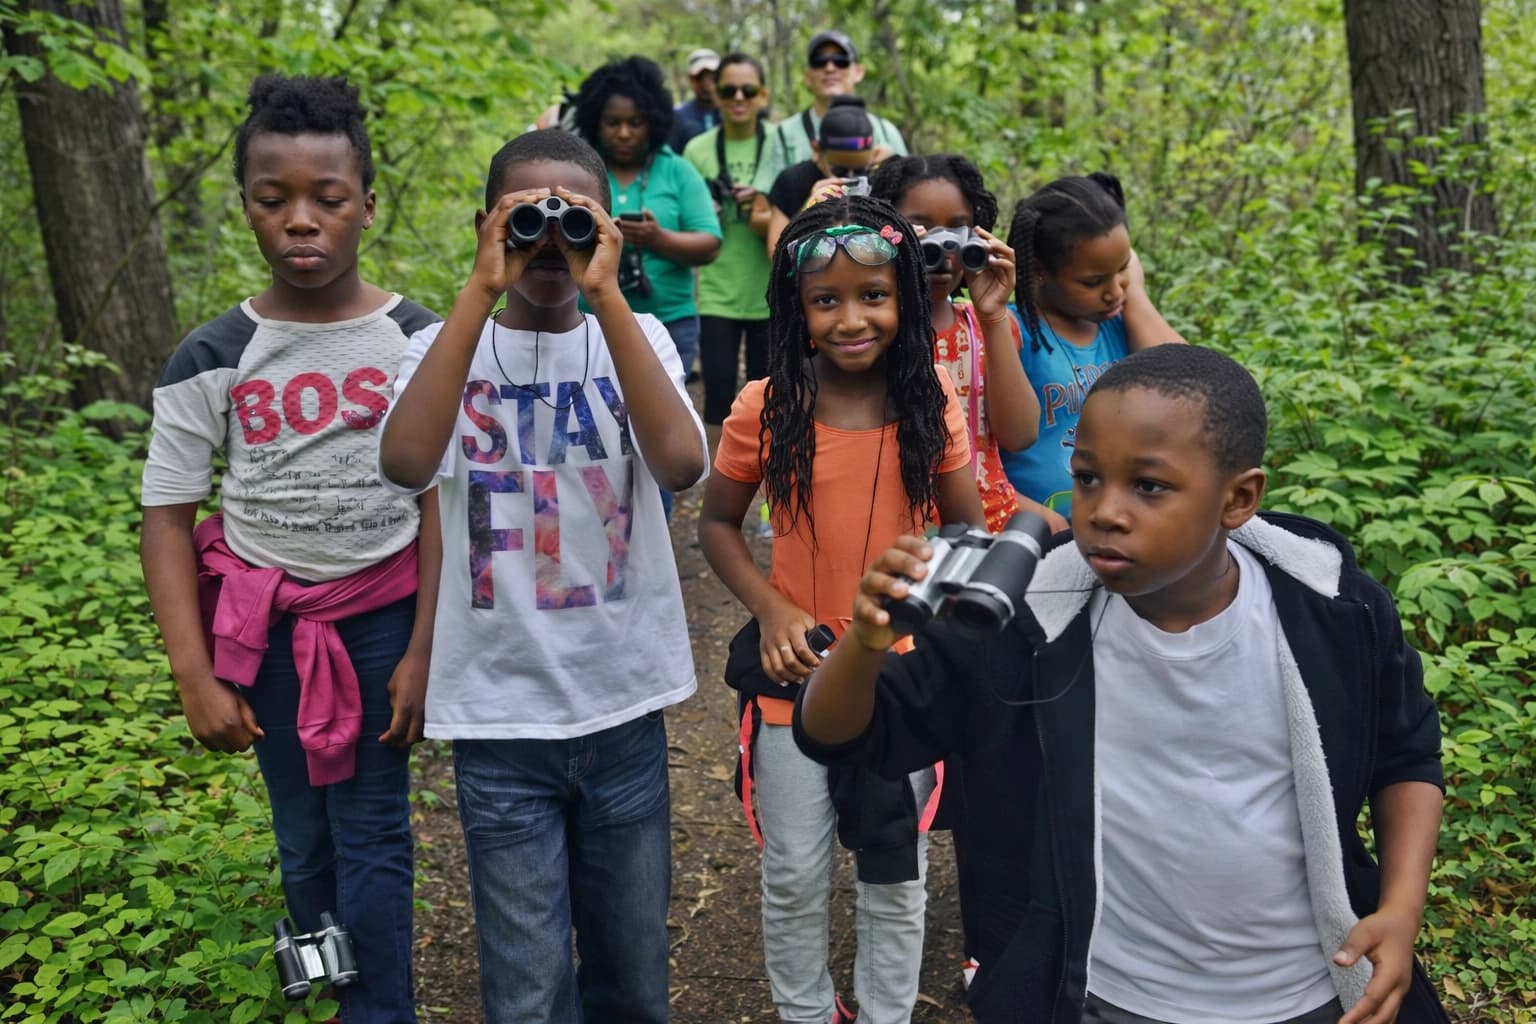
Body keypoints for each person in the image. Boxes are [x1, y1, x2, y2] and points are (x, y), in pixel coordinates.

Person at [797, 343, 1450, 1024]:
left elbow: (1407, 754)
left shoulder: (1335, 611)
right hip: (1104, 996)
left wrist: (1401, 910)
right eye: (1087, 478)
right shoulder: (1022, 621)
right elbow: (843, 734)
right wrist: (865, 640)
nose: (1104, 511)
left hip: (1316, 991)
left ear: (1238, 498)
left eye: (1149, 486)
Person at [376, 128, 705, 1024]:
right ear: (485, 226)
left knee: (634, 970)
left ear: (609, 230)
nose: (551, 242)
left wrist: (609, 292)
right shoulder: (438, 350)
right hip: (498, 714)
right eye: (526, 220)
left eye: (575, 221)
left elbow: (681, 465)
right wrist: (480, 290)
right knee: (525, 988)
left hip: (621, 701)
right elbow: (406, 466)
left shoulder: (638, 341)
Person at [140, 75, 441, 1024]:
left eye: (328, 199)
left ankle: (380, 1011)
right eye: (274, 200)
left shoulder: (419, 342)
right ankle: (325, 995)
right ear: (246, 207)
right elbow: (168, 516)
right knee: (303, 838)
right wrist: (194, 675)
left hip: (384, 621)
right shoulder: (212, 354)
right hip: (266, 632)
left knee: (374, 832)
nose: (301, 220)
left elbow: (444, 502)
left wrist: (427, 648)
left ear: (368, 206)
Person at [698, 195, 984, 1024]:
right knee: (794, 870)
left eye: (874, 296)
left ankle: (886, 1013)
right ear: (796, 308)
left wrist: (926, 608)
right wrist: (770, 608)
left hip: (900, 684)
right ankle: (807, 1012)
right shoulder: (766, 406)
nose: (851, 319)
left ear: (904, 296)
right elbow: (717, 524)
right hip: (793, 679)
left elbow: (964, 530)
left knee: (896, 874)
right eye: (826, 300)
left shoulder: (930, 398)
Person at [871, 153, 1059, 535]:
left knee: (1058, 533)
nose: (942, 248)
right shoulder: (867, 330)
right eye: (920, 228)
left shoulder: (985, 327)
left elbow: (1020, 435)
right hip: (902, 527)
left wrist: (993, 315)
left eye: (958, 229)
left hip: (988, 514)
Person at [1001, 172, 1184, 517]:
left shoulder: (1120, 323)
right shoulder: (1012, 331)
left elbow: (1188, 384)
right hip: (1042, 527)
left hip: (1122, 519)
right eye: (1093, 281)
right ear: (1038, 271)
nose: (1113, 291)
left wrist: (1136, 295)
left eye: (1122, 270)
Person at [570, 56, 721, 387]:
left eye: (635, 123)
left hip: (669, 324)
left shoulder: (678, 170)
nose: (624, 133)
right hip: (586, 324)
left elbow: (710, 243)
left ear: (652, 121)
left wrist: (657, 238)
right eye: (613, 123)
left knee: (659, 414)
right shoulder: (579, 171)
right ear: (596, 122)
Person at [682, 52, 773, 456]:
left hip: (770, 292)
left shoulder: (780, 144)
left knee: (769, 400)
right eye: (729, 90)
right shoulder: (696, 149)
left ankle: (769, 481)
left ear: (762, 95)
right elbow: (684, 219)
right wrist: (707, 211)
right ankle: (724, 478)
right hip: (717, 291)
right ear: (715, 95)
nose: (738, 97)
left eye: (748, 90)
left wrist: (763, 204)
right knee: (718, 400)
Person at [751, 30, 907, 199]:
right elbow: (762, 209)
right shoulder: (783, 134)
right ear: (807, 76)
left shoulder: (885, 132)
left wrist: (894, 166)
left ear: (859, 72)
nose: (830, 68)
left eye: (841, 61)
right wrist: (809, 204)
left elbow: (912, 197)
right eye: (819, 62)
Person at [764, 95, 882, 256]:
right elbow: (775, 254)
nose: (849, 177)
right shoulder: (793, 181)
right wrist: (809, 211)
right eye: (839, 170)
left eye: (860, 171)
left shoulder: (881, 178)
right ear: (816, 149)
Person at [669, 47, 722, 153]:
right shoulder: (679, 116)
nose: (706, 84)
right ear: (690, 79)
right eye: (699, 77)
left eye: (712, 77)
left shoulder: (731, 112)